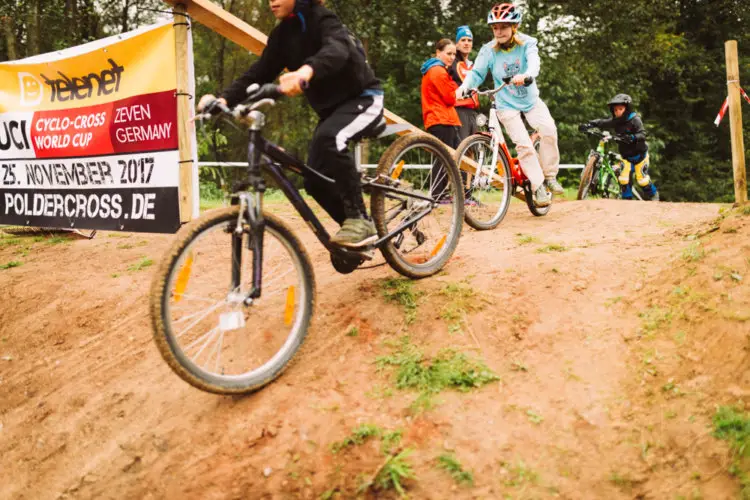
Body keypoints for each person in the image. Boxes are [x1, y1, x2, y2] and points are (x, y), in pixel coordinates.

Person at [197, 0, 384, 248]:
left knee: (331, 139)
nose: (271, 1)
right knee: (313, 180)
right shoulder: (282, 35)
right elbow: (258, 72)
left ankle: (359, 219)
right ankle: (356, 237)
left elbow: (337, 49)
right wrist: (222, 99)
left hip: (363, 99)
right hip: (330, 112)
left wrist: (306, 71)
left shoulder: (323, 19)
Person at [457, 3, 562, 207]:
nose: (499, 31)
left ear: (515, 26)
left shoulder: (527, 43)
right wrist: (465, 86)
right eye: (495, 28)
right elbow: (477, 73)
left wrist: (527, 75)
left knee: (549, 130)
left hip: (530, 100)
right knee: (523, 145)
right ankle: (538, 186)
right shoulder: (489, 50)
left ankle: (549, 175)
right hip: (506, 104)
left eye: (503, 26)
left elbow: (534, 62)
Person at [580, 94, 659, 201]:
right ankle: (626, 202)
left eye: (620, 109)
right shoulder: (616, 121)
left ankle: (653, 196)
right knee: (623, 179)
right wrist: (589, 125)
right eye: (615, 110)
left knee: (642, 180)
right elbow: (603, 122)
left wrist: (632, 137)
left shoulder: (635, 120)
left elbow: (642, 134)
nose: (618, 112)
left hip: (640, 156)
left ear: (627, 109)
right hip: (626, 157)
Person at [420, 38, 461, 150]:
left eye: (454, 54)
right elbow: (450, 99)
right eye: (449, 53)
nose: (452, 57)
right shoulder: (438, 71)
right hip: (442, 120)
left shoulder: (433, 69)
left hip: (439, 119)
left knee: (453, 162)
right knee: (445, 162)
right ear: (438, 52)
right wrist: (456, 90)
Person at [449, 26, 480, 141]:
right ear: (457, 44)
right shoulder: (451, 62)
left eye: (469, 40)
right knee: (461, 150)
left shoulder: (472, 65)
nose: (466, 43)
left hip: (472, 112)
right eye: (463, 40)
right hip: (458, 110)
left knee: (475, 151)